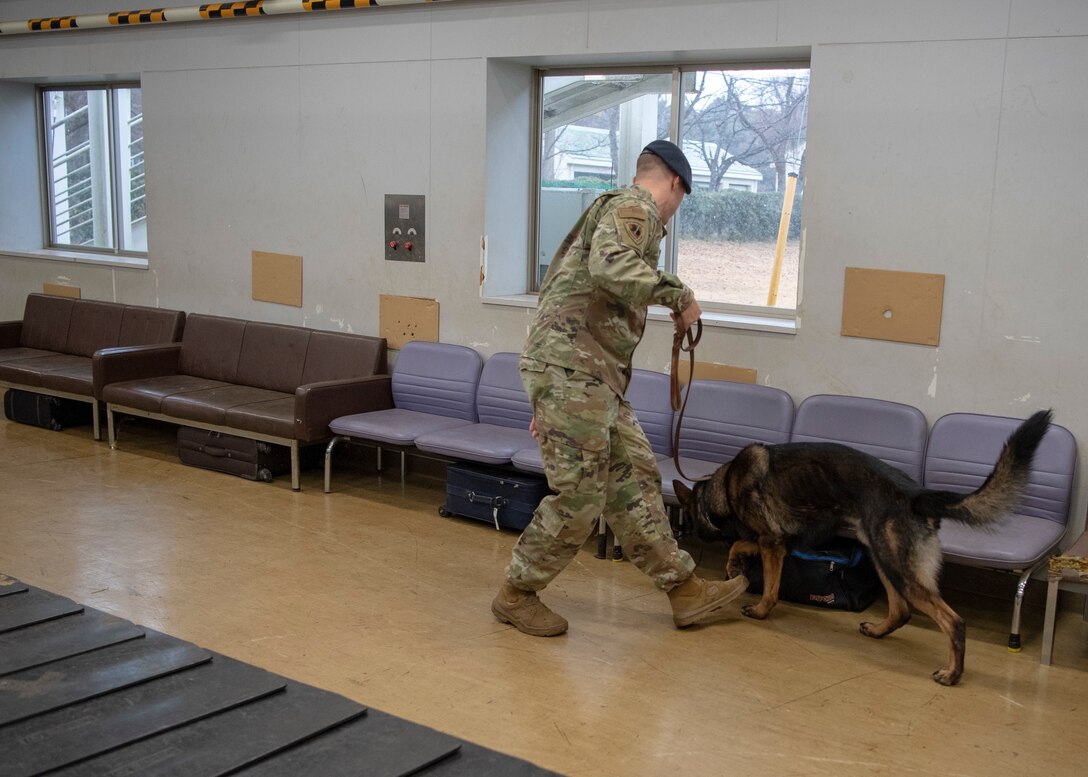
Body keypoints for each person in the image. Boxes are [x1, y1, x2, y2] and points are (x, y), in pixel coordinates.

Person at [491, 139, 748, 636]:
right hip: (574, 373)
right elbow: (610, 268)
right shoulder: (636, 207)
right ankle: (516, 594)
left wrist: (555, 395)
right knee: (581, 497)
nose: (673, 212)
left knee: (635, 481)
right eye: (681, 198)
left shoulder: (618, 210)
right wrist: (679, 295)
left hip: (588, 379)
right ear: (675, 182)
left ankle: (684, 591)